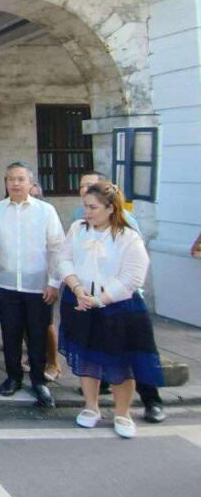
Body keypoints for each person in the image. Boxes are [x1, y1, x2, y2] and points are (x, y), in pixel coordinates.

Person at [56, 181, 164, 439]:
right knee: (87, 357)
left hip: (118, 307)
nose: (87, 212)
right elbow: (63, 258)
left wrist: (101, 299)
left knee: (120, 362)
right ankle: (91, 407)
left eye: (93, 207)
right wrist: (77, 288)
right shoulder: (78, 229)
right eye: (85, 206)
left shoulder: (127, 236)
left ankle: (122, 412)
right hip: (80, 301)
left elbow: (132, 277)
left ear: (110, 208)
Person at [0, 162, 65, 408]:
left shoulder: (46, 211)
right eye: (11, 179)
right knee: (10, 333)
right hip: (6, 283)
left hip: (38, 285)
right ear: (5, 182)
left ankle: (38, 380)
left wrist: (54, 282)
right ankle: (13, 377)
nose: (16, 183)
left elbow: (57, 247)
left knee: (37, 334)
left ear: (31, 183)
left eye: (21, 179)